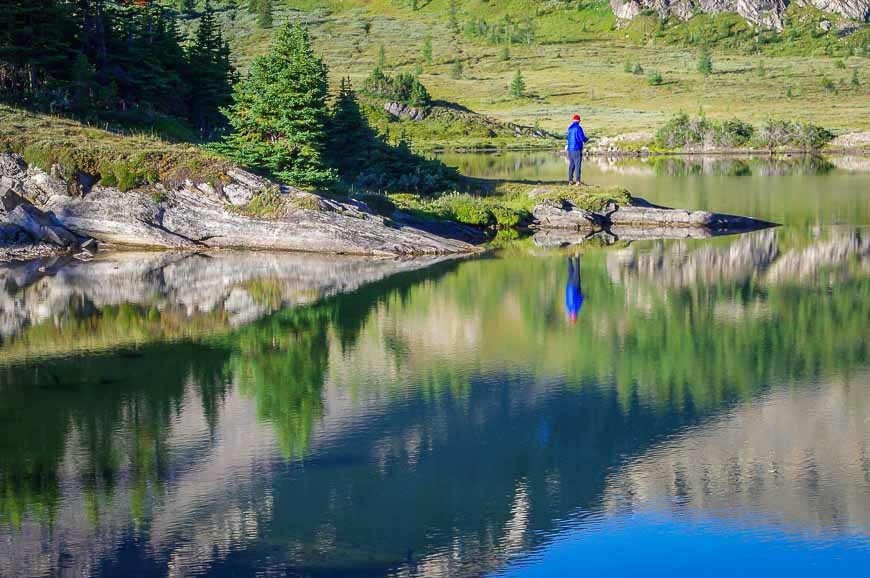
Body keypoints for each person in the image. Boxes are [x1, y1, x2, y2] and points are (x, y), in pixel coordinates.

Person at [566, 114, 589, 186]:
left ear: (573, 120)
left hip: (570, 149)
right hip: (577, 149)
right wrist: (586, 139)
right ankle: (578, 181)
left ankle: (570, 180)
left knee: (571, 165)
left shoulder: (569, 128)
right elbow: (582, 138)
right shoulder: (578, 128)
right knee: (577, 165)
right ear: (579, 120)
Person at [566, 254, 583, 324]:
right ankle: (569, 257)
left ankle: (577, 256)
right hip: (568, 286)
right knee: (570, 272)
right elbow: (567, 298)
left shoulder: (576, 308)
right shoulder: (568, 308)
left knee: (576, 271)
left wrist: (584, 296)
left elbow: (579, 298)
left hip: (575, 286)